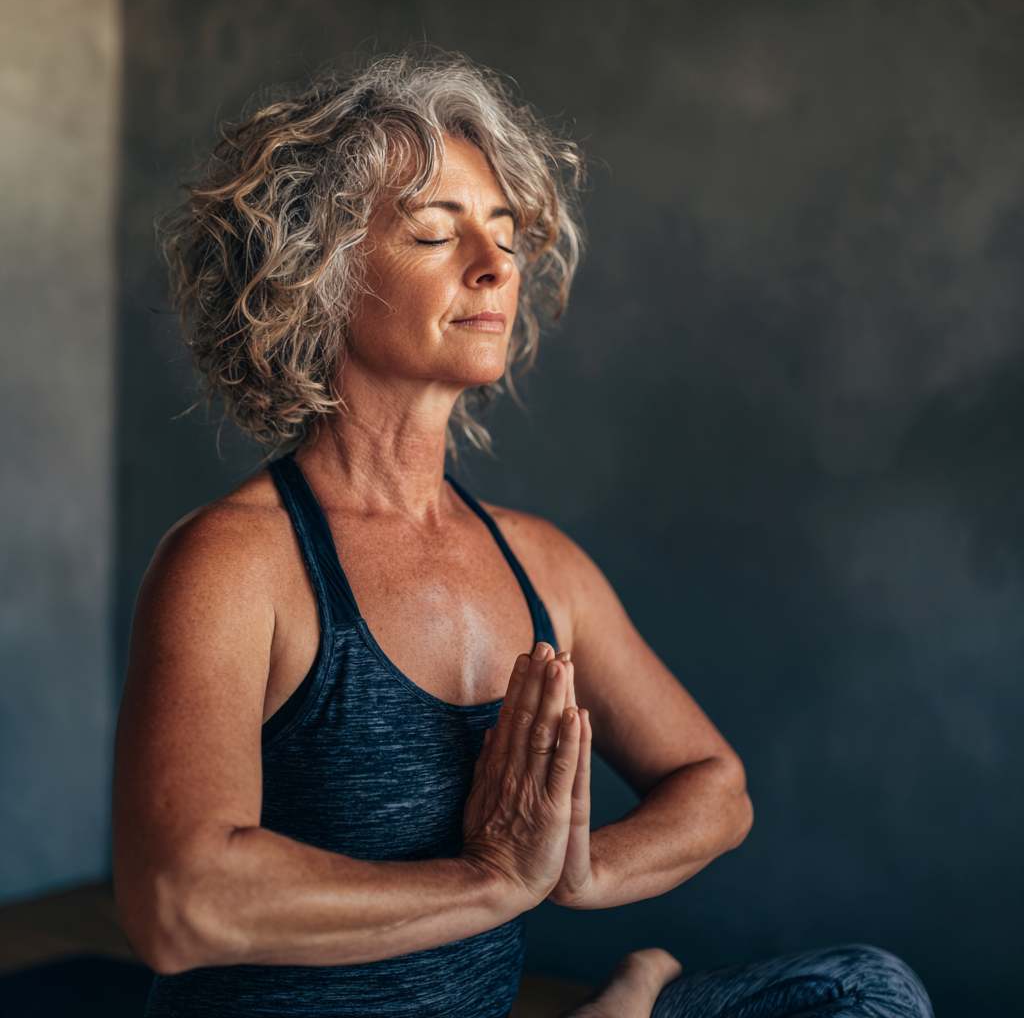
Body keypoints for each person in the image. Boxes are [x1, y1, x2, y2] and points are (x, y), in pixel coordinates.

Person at [112, 53, 933, 1018]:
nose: (496, 264)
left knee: (871, 992)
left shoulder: (540, 564)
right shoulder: (234, 564)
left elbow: (717, 787)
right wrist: (491, 880)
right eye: (434, 232)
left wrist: (577, 871)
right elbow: (181, 903)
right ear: (317, 274)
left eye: (504, 236)